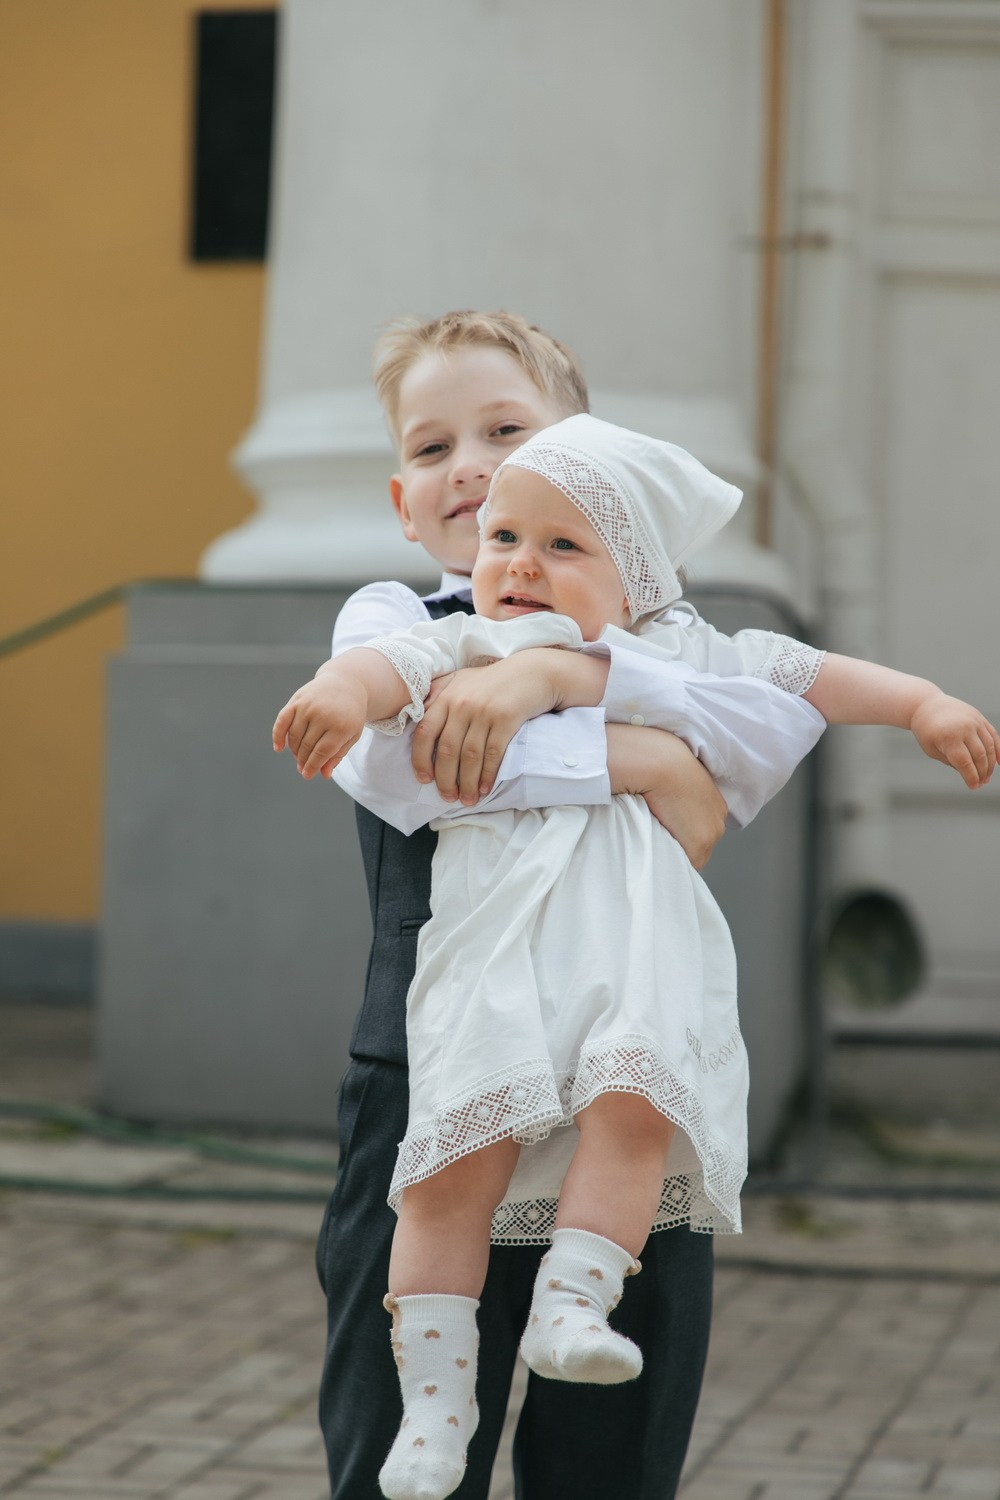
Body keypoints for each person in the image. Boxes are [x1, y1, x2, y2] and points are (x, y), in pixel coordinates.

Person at [276, 411, 997, 1500]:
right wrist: (340, 692)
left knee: (635, 1113)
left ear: (643, 577)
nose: (515, 562)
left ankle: (577, 1299)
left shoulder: (691, 652)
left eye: (562, 547)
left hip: (636, 966)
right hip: (495, 965)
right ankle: (435, 1405)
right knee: (448, 1177)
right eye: (504, 538)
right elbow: (388, 667)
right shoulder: (469, 634)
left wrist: (925, 705)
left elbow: (812, 680)